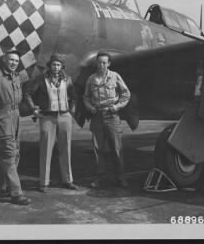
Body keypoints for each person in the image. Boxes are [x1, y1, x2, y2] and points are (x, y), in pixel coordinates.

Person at [24, 54, 77, 193]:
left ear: (62, 66)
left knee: (66, 149)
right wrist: (33, 109)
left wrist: (71, 111)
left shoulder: (68, 79)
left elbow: (73, 97)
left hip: (64, 116)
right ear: (50, 65)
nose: (56, 67)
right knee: (46, 149)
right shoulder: (41, 79)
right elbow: (28, 93)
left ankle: (68, 180)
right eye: (54, 64)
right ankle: (44, 182)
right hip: (47, 117)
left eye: (59, 65)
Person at [0, 50, 30, 205]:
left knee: (15, 152)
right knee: (9, 153)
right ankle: (16, 193)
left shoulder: (16, 76)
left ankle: (4, 187)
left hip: (16, 116)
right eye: (11, 60)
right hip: (3, 117)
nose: (13, 63)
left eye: (16, 61)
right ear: (5, 60)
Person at [83, 51, 131, 188]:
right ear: (96, 63)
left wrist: (117, 106)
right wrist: (90, 107)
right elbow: (85, 97)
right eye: (99, 62)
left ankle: (121, 177)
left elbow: (126, 94)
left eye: (104, 62)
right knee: (98, 149)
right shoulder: (91, 79)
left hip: (112, 116)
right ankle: (99, 177)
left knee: (116, 148)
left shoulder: (115, 76)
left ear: (109, 63)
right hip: (97, 116)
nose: (101, 65)